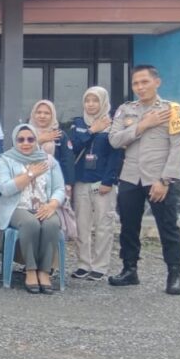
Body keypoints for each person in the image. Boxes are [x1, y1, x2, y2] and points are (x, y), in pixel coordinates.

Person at [108, 65, 180, 295]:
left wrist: (165, 179)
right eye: (136, 83)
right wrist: (143, 125)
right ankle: (129, 269)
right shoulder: (125, 110)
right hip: (130, 176)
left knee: (168, 228)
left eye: (144, 82)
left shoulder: (172, 109)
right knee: (128, 227)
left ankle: (174, 275)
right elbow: (114, 140)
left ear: (157, 82)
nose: (140, 87)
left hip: (158, 178)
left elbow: (178, 146)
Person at [0, 124, 65, 294]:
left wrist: (52, 205)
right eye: (21, 139)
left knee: (52, 224)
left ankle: (44, 271)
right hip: (16, 208)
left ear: (35, 140)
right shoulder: (5, 160)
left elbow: (59, 188)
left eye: (30, 139)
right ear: (14, 141)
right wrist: (30, 175)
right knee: (30, 223)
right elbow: (5, 188)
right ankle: (31, 270)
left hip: (44, 206)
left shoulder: (48, 161)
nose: (26, 143)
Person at [69, 86, 122, 282]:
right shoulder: (78, 123)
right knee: (81, 226)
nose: (91, 104)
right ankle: (83, 264)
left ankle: (100, 266)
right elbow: (72, 148)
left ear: (103, 102)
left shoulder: (113, 124)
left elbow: (116, 155)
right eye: (87, 100)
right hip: (81, 181)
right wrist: (91, 130)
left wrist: (109, 181)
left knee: (103, 225)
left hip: (103, 183)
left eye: (95, 100)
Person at [29, 100, 76, 189]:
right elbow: (17, 155)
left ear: (52, 115)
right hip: (30, 182)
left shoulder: (59, 135)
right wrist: (39, 140)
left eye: (47, 113)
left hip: (55, 183)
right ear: (33, 114)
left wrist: (68, 184)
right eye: (39, 112)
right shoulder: (25, 133)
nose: (42, 116)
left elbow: (67, 161)